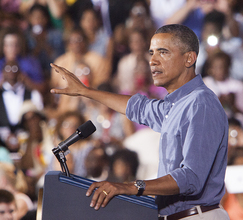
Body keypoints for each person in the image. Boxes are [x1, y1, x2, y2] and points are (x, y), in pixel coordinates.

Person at [50, 24, 229, 219]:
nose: (152, 61)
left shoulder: (200, 103)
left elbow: (191, 178)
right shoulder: (174, 106)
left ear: (189, 58)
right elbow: (137, 107)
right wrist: (86, 91)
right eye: (151, 53)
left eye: (163, 52)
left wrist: (131, 186)